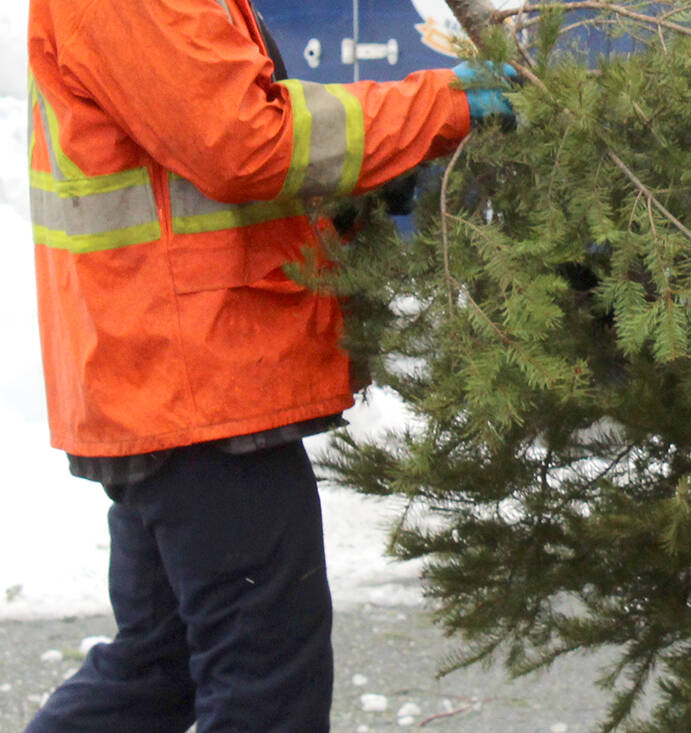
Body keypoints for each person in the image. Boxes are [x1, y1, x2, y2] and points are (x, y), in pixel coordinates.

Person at [24, 0, 512, 730]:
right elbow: (244, 145)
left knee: (159, 667)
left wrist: (358, 183)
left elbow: (201, 149)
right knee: (264, 687)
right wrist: (443, 106)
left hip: (172, 375)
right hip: (196, 381)